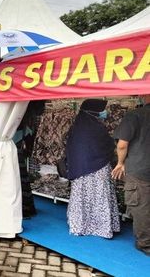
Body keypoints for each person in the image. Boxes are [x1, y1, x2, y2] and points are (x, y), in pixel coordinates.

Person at [65, 99, 120, 238]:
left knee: (82, 196)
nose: (103, 113)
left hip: (80, 170)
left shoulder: (77, 126)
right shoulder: (97, 128)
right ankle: (101, 227)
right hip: (98, 169)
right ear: (93, 111)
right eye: (101, 110)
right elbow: (108, 146)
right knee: (99, 197)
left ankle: (80, 224)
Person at [112, 94, 150, 255]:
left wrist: (120, 163)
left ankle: (146, 244)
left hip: (139, 169)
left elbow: (122, 145)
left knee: (141, 207)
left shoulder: (135, 115)